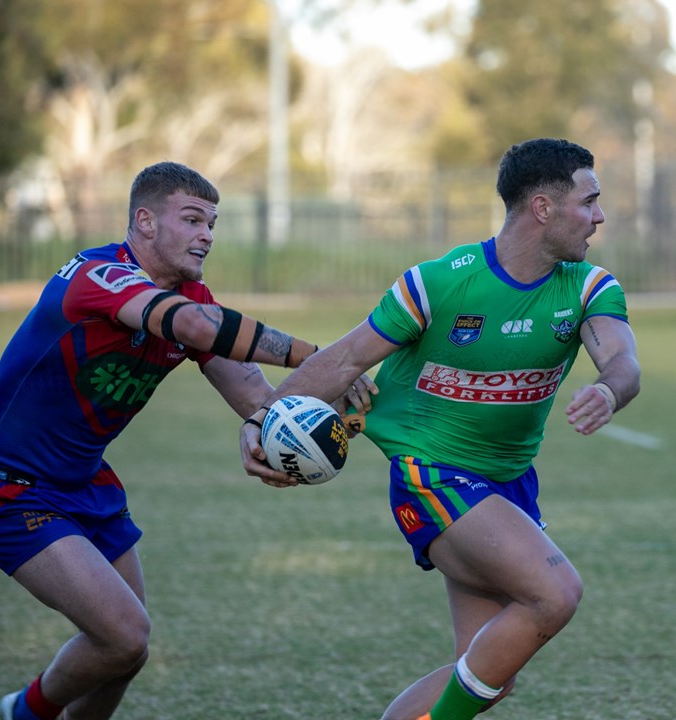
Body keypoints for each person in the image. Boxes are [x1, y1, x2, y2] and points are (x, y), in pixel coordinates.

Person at [239, 138, 641, 720]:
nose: (600, 216)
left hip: (508, 485)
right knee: (556, 592)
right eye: (590, 201)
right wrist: (260, 416)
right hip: (433, 474)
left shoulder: (587, 288)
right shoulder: (438, 283)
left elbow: (623, 363)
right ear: (543, 208)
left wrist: (610, 388)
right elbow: (347, 358)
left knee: (487, 676)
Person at [0, 161, 368, 720]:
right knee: (123, 637)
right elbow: (198, 328)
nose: (207, 235)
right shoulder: (99, 276)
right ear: (144, 221)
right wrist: (320, 355)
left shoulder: (192, 294)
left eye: (213, 224)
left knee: (126, 653)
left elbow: (253, 393)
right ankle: (24, 713)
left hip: (85, 481)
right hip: (9, 486)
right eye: (193, 219)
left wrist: (309, 421)